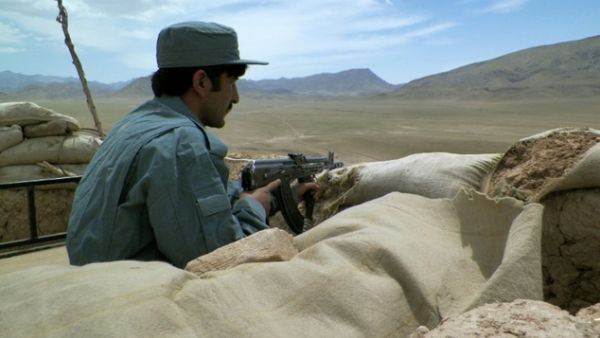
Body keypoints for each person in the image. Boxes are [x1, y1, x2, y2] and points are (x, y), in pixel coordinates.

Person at [67, 21, 316, 268]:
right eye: (232, 82)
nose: (236, 97)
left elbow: (194, 195)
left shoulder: (134, 124)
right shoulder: (181, 143)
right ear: (201, 82)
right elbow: (219, 258)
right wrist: (255, 206)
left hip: (96, 275)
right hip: (130, 291)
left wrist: (278, 193)